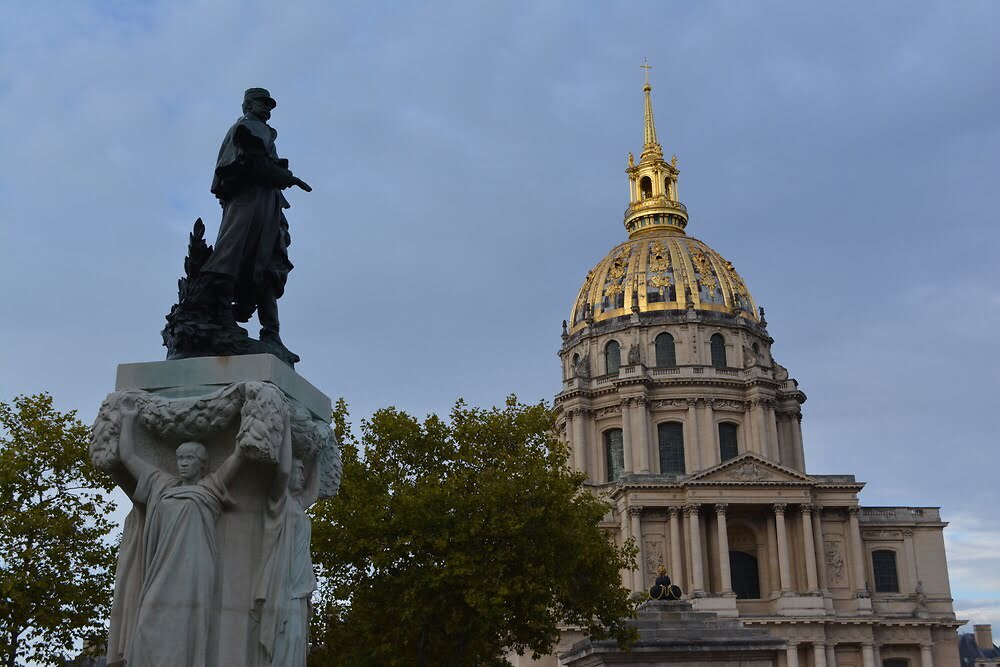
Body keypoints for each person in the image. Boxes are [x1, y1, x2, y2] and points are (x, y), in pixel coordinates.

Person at [113, 397, 245, 667]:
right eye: (180, 458)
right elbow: (127, 456)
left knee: (188, 627)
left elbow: (239, 456)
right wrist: (128, 419)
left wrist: (248, 417)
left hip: (194, 571)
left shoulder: (209, 489)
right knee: (147, 624)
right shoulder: (162, 485)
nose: (183, 463)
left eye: (190, 459)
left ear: (203, 464)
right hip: (160, 569)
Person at [201, 87, 312, 353]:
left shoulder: (261, 129)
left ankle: (271, 333)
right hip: (249, 199)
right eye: (263, 104)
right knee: (233, 251)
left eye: (270, 106)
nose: (268, 109)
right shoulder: (248, 127)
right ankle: (223, 316)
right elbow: (252, 162)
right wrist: (287, 178)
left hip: (267, 201)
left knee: (270, 261)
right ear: (248, 105)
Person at [252, 419, 319, 666]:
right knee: (285, 640)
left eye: (303, 470)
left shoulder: (298, 506)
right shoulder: (279, 502)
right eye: (298, 470)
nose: (302, 475)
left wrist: (319, 453)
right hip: (283, 585)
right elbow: (281, 470)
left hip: (299, 586)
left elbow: (312, 492)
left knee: (296, 641)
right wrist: (286, 429)